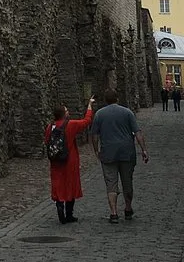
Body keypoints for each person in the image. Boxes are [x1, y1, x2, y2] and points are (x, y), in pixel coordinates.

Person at [90, 89, 148, 224]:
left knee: (111, 183)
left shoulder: (99, 114)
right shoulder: (127, 113)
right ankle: (128, 208)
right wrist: (144, 150)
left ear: (105, 100)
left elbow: (94, 135)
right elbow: (137, 132)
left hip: (108, 152)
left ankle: (114, 213)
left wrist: (96, 150)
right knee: (127, 182)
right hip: (126, 152)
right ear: (117, 98)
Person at [44, 96, 94, 224]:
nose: (68, 112)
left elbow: (47, 142)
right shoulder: (70, 125)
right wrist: (89, 106)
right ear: (63, 114)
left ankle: (60, 206)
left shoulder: (50, 127)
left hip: (55, 161)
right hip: (69, 160)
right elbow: (86, 121)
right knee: (70, 184)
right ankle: (69, 213)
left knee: (58, 184)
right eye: (66, 111)